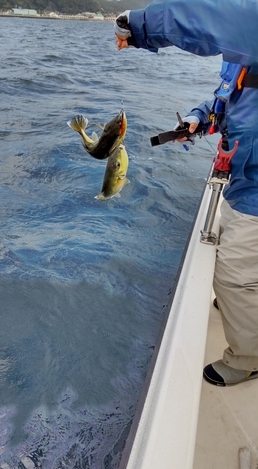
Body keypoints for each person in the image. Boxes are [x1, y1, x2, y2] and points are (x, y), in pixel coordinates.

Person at [114, 0, 258, 387]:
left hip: (255, 183)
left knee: (233, 276)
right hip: (244, 176)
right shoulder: (244, 51)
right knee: (237, 248)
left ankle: (249, 356)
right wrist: (198, 119)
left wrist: (136, 25)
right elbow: (227, 99)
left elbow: (201, 20)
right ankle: (244, 301)